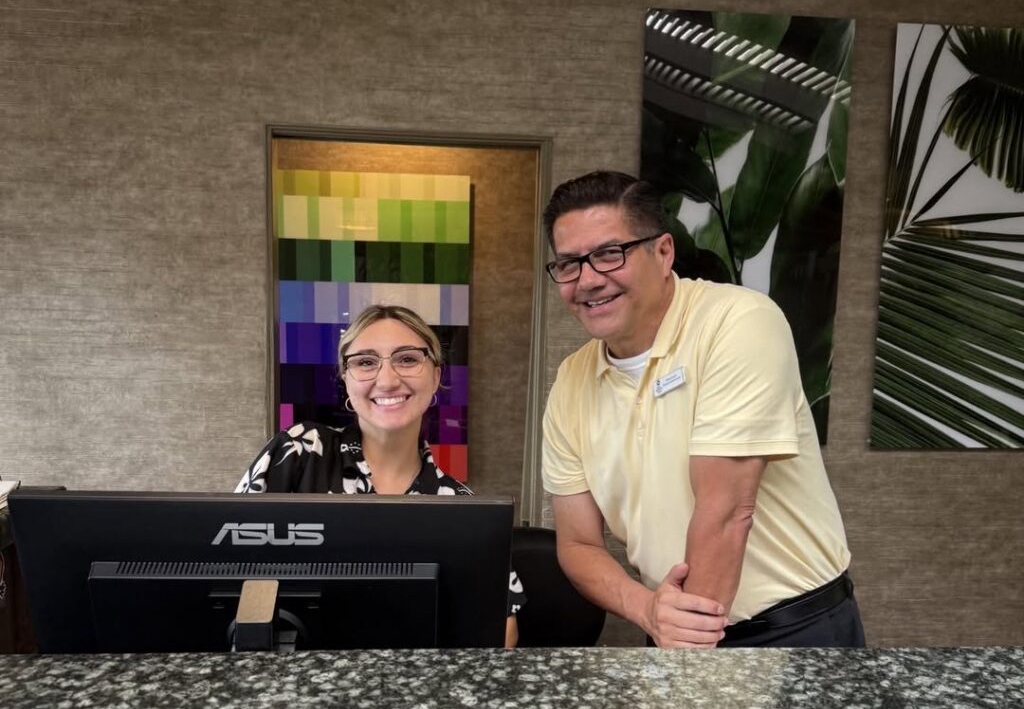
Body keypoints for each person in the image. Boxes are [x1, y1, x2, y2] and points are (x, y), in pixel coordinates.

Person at [541, 170, 864, 648]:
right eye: (569, 264)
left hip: (794, 631)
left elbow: (727, 510)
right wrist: (648, 610)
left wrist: (689, 655)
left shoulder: (737, 322)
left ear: (664, 252)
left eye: (610, 254)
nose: (588, 280)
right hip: (672, 626)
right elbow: (577, 543)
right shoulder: (572, 380)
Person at [236, 304, 525, 647]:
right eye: (365, 362)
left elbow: (500, 629)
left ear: (436, 376)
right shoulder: (297, 453)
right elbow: (225, 575)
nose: (387, 380)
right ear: (345, 379)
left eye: (407, 359)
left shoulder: (462, 508)